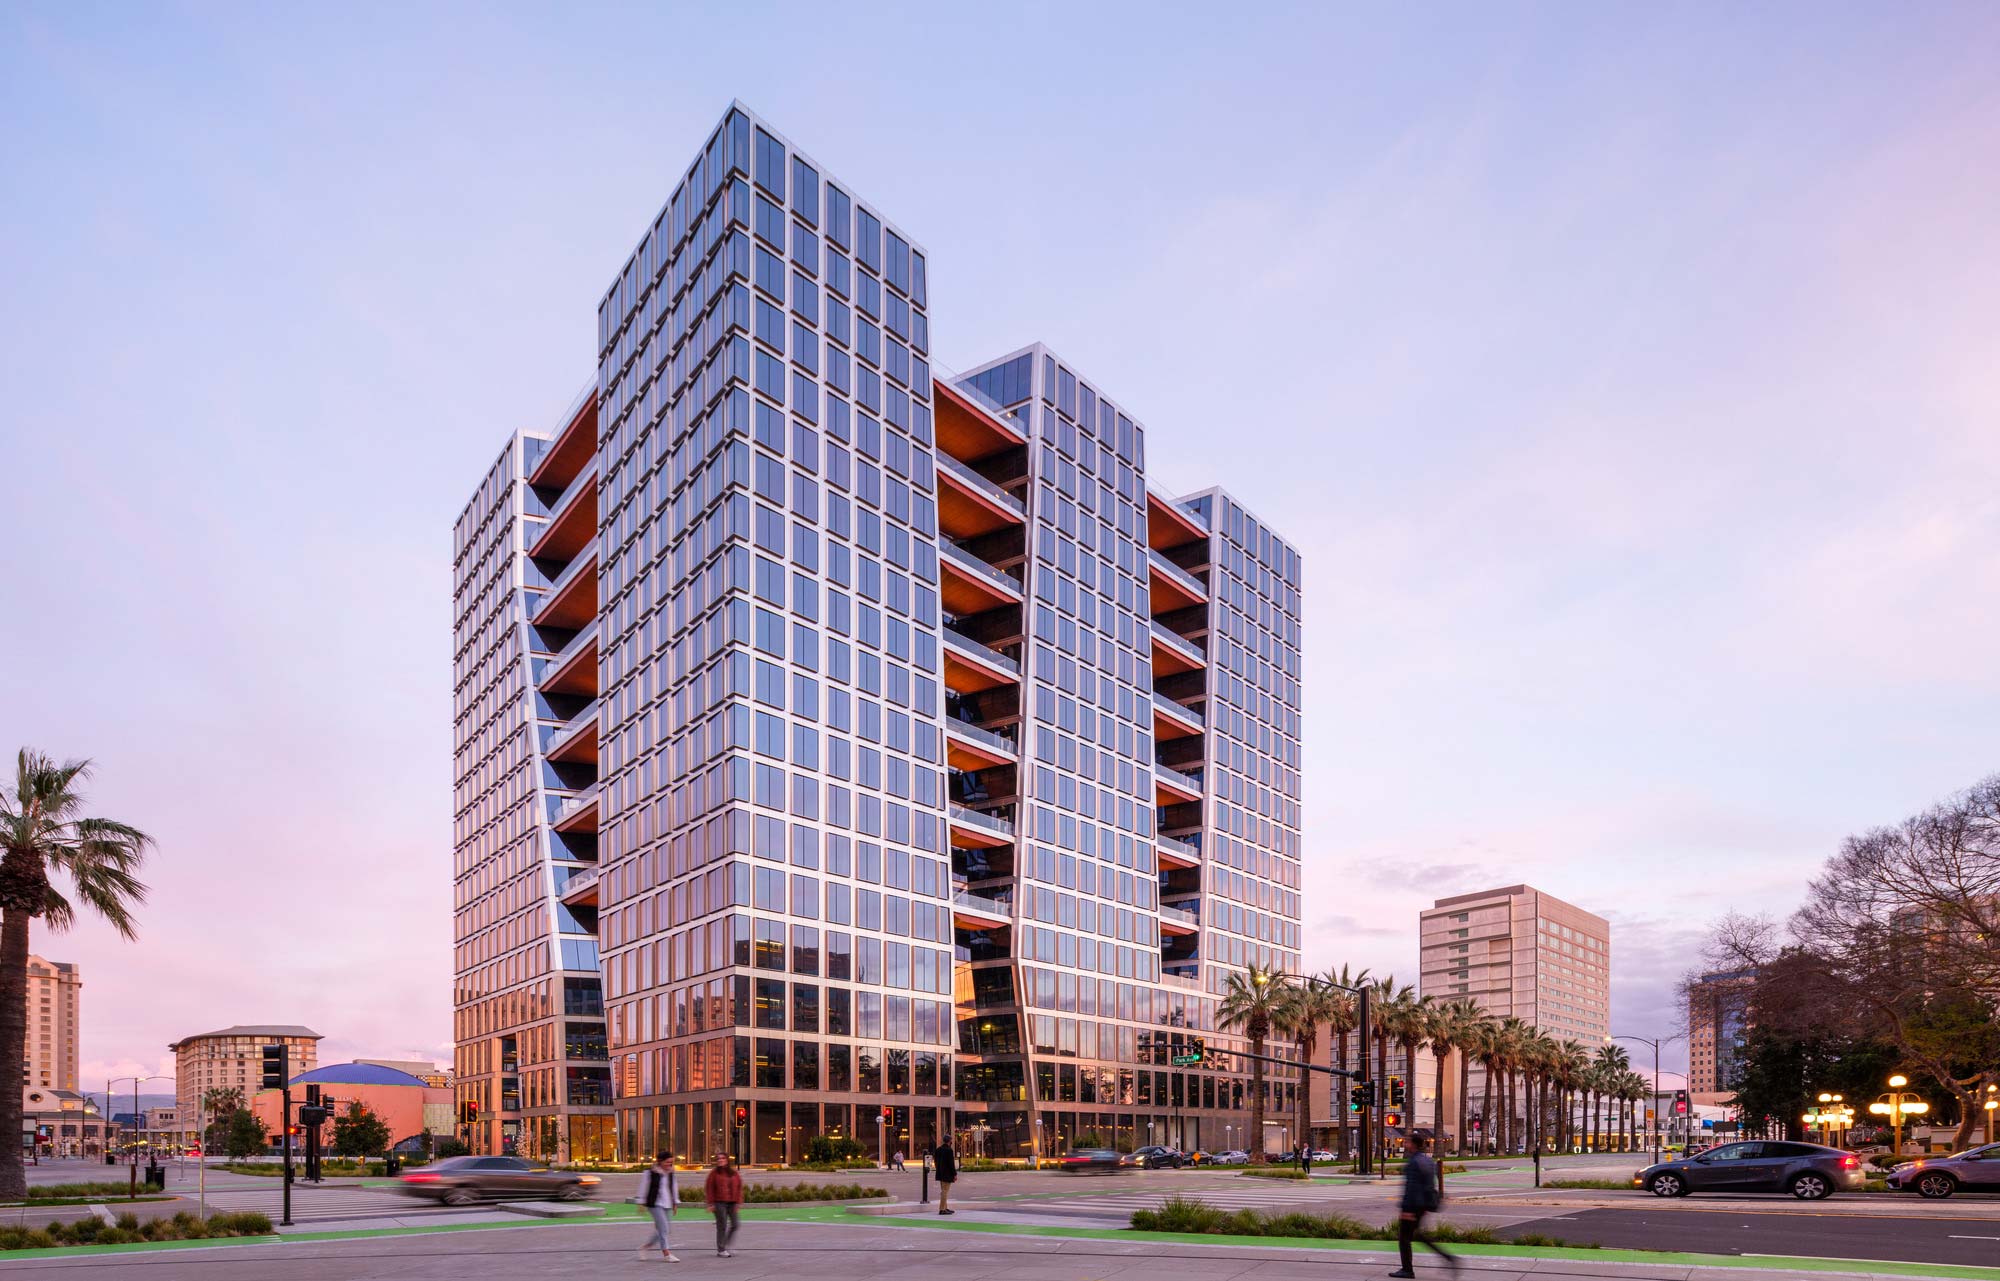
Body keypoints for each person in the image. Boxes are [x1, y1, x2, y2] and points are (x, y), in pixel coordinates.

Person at [1389, 1132, 1457, 1278]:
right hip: (1422, 1204)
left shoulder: (1414, 1162)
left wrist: (1407, 1209)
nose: (1405, 1144)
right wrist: (1425, 1206)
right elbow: (1429, 1185)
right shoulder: (1427, 1161)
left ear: (1413, 1144)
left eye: (1407, 1142)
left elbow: (1411, 1187)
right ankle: (1448, 1258)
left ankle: (1407, 1270)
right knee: (1417, 1235)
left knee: (1404, 1238)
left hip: (1413, 1206)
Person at [637, 1151, 680, 1262]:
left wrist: (675, 1202)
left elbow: (674, 1187)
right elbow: (643, 1187)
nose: (669, 1165)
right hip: (655, 1203)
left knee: (666, 1229)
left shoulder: (671, 1172)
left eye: (671, 1162)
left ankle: (645, 1247)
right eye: (667, 1162)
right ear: (660, 1161)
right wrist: (641, 1202)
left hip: (667, 1203)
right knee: (664, 1229)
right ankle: (666, 1254)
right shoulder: (650, 1173)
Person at [705, 1152, 742, 1258]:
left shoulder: (734, 1173)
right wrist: (710, 1203)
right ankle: (721, 1249)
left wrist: (738, 1202)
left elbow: (739, 1187)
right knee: (722, 1226)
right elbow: (709, 1189)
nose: (720, 1160)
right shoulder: (714, 1173)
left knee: (735, 1224)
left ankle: (725, 1245)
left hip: (732, 1202)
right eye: (718, 1159)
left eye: (722, 1158)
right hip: (719, 1202)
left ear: (727, 1160)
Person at [932, 1137, 958, 1215]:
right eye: (951, 1140)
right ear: (949, 1141)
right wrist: (954, 1174)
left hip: (940, 1173)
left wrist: (939, 1170)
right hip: (947, 1174)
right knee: (945, 1191)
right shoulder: (949, 1150)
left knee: (944, 1191)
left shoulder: (938, 1149)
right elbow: (951, 1164)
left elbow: (936, 1161)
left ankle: (945, 1207)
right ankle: (942, 1209)